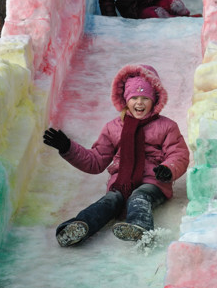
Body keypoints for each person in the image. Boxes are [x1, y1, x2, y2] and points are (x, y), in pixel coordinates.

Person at [42, 64, 190, 246]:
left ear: (155, 100)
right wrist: (68, 148)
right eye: (134, 97)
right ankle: (77, 227)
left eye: (145, 98)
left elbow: (178, 153)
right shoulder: (113, 128)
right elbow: (96, 161)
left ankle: (140, 227)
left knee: (140, 197)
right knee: (109, 201)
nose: (139, 103)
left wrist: (168, 169)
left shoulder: (166, 126)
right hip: (121, 183)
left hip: (153, 181)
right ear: (126, 100)